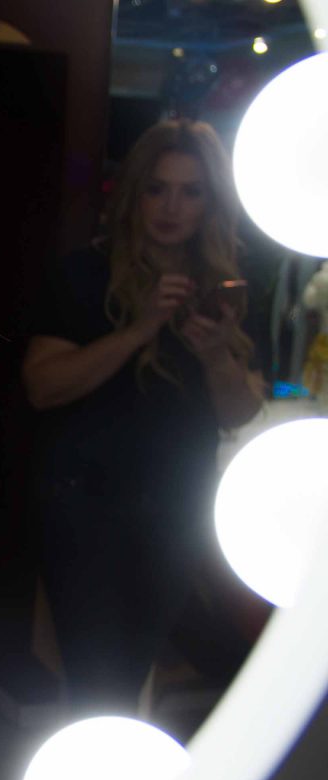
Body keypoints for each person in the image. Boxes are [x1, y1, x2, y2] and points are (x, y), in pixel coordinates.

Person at [21, 119, 264, 716]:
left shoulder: (222, 288)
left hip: (177, 512)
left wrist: (215, 354)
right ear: (135, 192)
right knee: (98, 685)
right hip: (87, 508)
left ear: (210, 201)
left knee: (126, 679)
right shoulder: (85, 274)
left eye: (190, 192)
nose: (171, 208)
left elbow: (239, 410)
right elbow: (43, 387)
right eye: (157, 189)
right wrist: (141, 328)